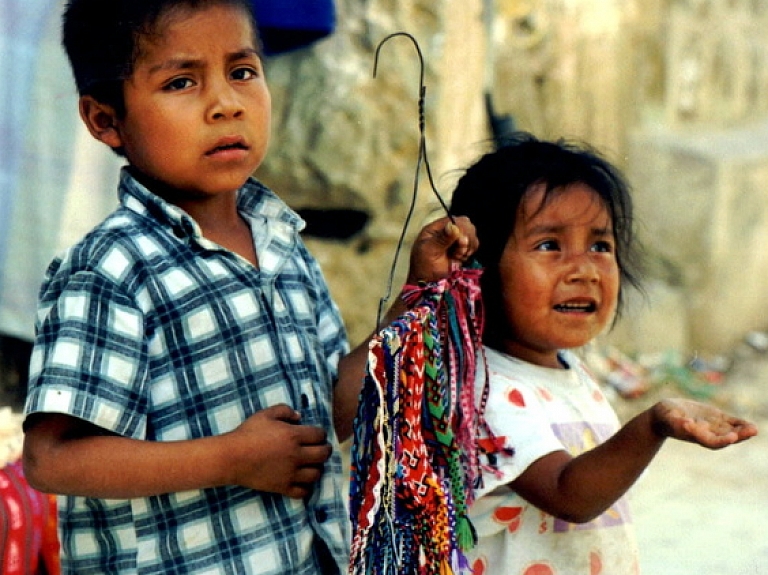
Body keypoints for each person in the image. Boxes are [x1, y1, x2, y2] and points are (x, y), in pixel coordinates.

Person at [20, 1, 477, 573]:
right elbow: (51, 459)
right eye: (181, 82)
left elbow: (329, 413)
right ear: (104, 120)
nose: (226, 104)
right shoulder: (112, 270)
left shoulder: (282, 245)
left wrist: (415, 296)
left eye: (242, 71)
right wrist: (230, 459)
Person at [448, 131, 758, 574]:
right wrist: (653, 423)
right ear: (476, 269)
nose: (585, 270)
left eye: (600, 246)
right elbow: (569, 494)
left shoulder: (570, 372)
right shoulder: (484, 390)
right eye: (549, 245)